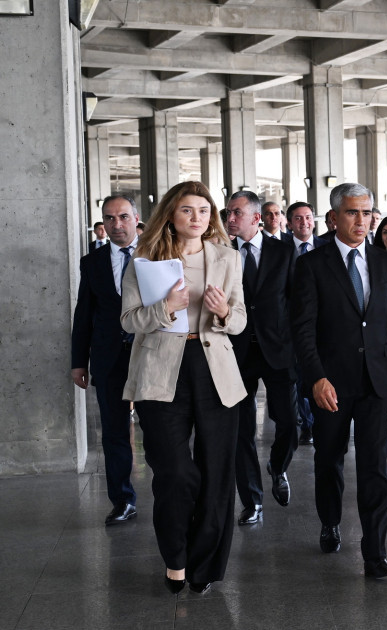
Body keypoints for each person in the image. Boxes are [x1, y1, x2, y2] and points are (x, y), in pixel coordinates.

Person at [121, 180, 247, 595]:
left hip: (214, 370)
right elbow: (129, 321)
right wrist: (165, 308)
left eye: (205, 211)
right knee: (175, 474)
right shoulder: (145, 258)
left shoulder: (228, 258)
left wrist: (224, 310)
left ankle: (202, 565)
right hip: (161, 371)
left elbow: (241, 320)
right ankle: (175, 556)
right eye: (188, 210)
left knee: (217, 476)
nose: (198, 218)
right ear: (171, 216)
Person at [291, 182, 387, 579]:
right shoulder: (312, 264)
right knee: (329, 459)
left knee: (376, 467)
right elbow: (303, 330)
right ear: (334, 217)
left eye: (367, 213)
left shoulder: (386, 262)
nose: (362, 221)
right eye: (352, 213)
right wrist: (316, 378)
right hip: (332, 384)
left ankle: (375, 553)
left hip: (378, 381)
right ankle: (330, 521)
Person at [226, 191, 299, 526]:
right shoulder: (221, 254)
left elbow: (298, 303)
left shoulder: (284, 252)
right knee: (241, 430)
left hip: (278, 349)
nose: (229, 219)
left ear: (256, 218)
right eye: (227, 213)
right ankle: (252, 500)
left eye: (236, 213)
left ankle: (277, 466)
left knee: (289, 423)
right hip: (236, 352)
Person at [71, 194, 140, 525]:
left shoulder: (158, 255)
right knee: (113, 431)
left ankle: (176, 494)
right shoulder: (93, 262)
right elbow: (83, 314)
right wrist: (78, 361)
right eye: (110, 219)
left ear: (135, 218)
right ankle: (123, 499)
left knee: (160, 430)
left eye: (123, 217)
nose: (117, 224)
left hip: (150, 356)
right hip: (109, 358)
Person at [286, 201, 329, 446]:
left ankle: (315, 421)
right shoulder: (281, 250)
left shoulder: (327, 247)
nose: (304, 222)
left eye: (308, 217)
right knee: (298, 379)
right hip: (289, 328)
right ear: (290, 223)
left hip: (320, 327)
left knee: (316, 373)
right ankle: (307, 423)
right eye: (299, 219)